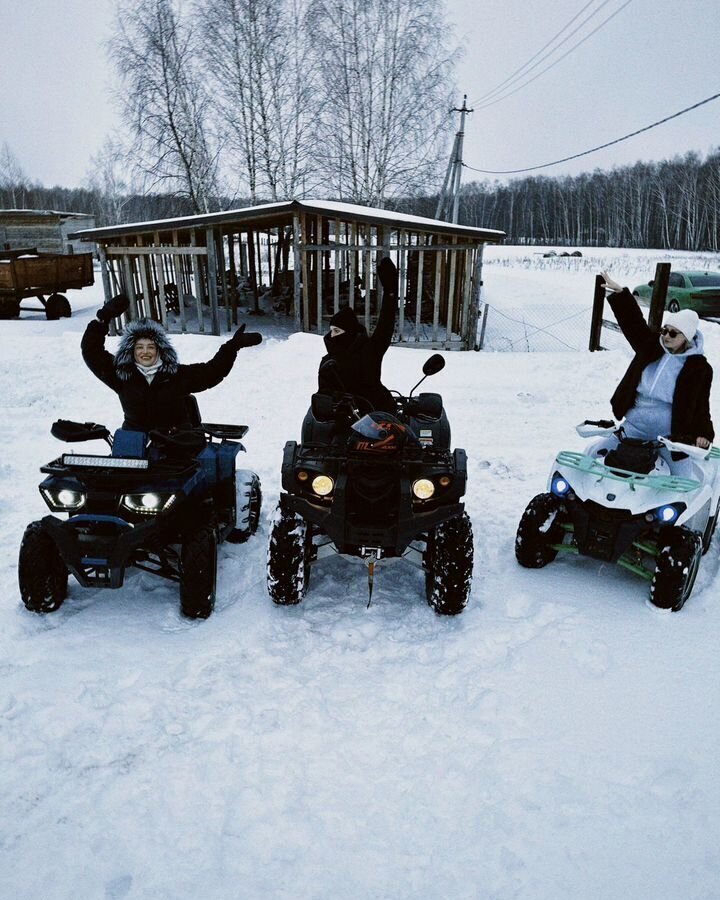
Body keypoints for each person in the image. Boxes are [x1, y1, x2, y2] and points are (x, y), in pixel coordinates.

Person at [81, 293, 262, 433]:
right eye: (139, 348)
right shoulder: (121, 375)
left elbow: (211, 372)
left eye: (151, 347)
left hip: (176, 447)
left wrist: (232, 347)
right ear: (131, 352)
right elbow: (91, 351)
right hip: (135, 449)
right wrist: (102, 320)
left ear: (160, 351)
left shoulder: (174, 375)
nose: (145, 352)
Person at [597, 270, 714, 471]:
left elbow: (701, 404)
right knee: (595, 456)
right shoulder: (651, 347)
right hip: (633, 428)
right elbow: (633, 324)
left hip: (668, 438)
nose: (666, 336)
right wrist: (620, 294)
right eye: (664, 330)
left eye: (673, 333)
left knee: (684, 478)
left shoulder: (698, 368)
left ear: (686, 338)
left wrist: (703, 433)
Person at [317, 257, 399, 414]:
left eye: (337, 331)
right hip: (345, 420)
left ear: (351, 332)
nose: (332, 336)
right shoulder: (329, 363)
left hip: (377, 414)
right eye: (332, 330)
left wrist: (390, 292)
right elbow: (323, 397)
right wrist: (338, 398)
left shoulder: (370, 350)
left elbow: (386, 323)